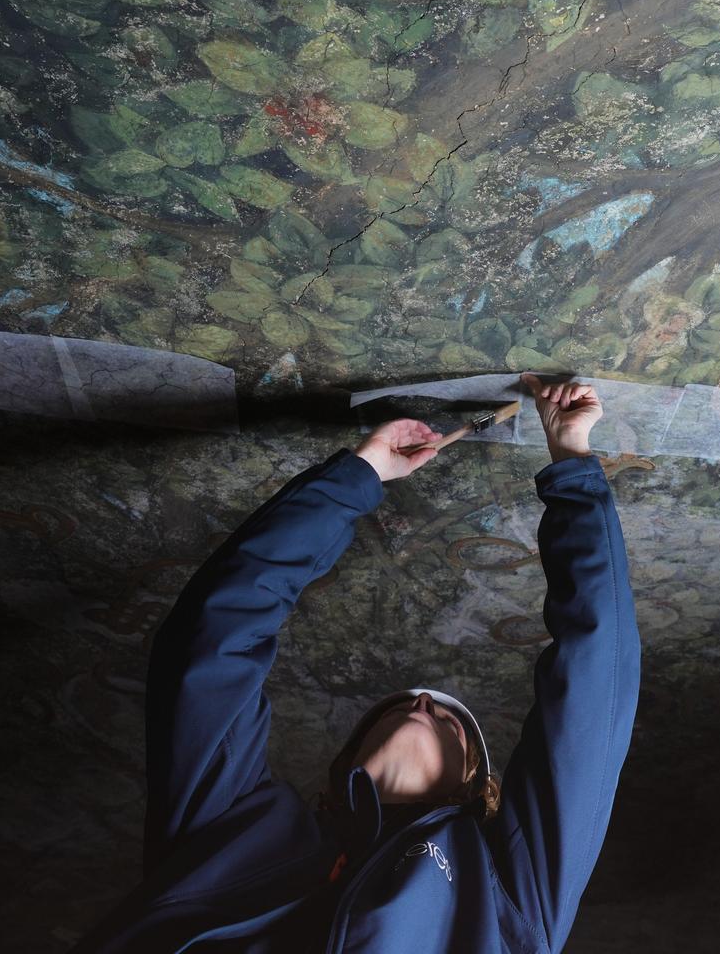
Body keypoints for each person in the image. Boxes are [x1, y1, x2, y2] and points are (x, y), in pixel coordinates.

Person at [73, 375, 639, 953]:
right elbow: (597, 691)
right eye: (434, 713)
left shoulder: (224, 833)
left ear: (479, 788)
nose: (421, 701)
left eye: (445, 719)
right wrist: (571, 457)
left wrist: (353, 482)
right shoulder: (507, 910)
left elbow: (201, 648)